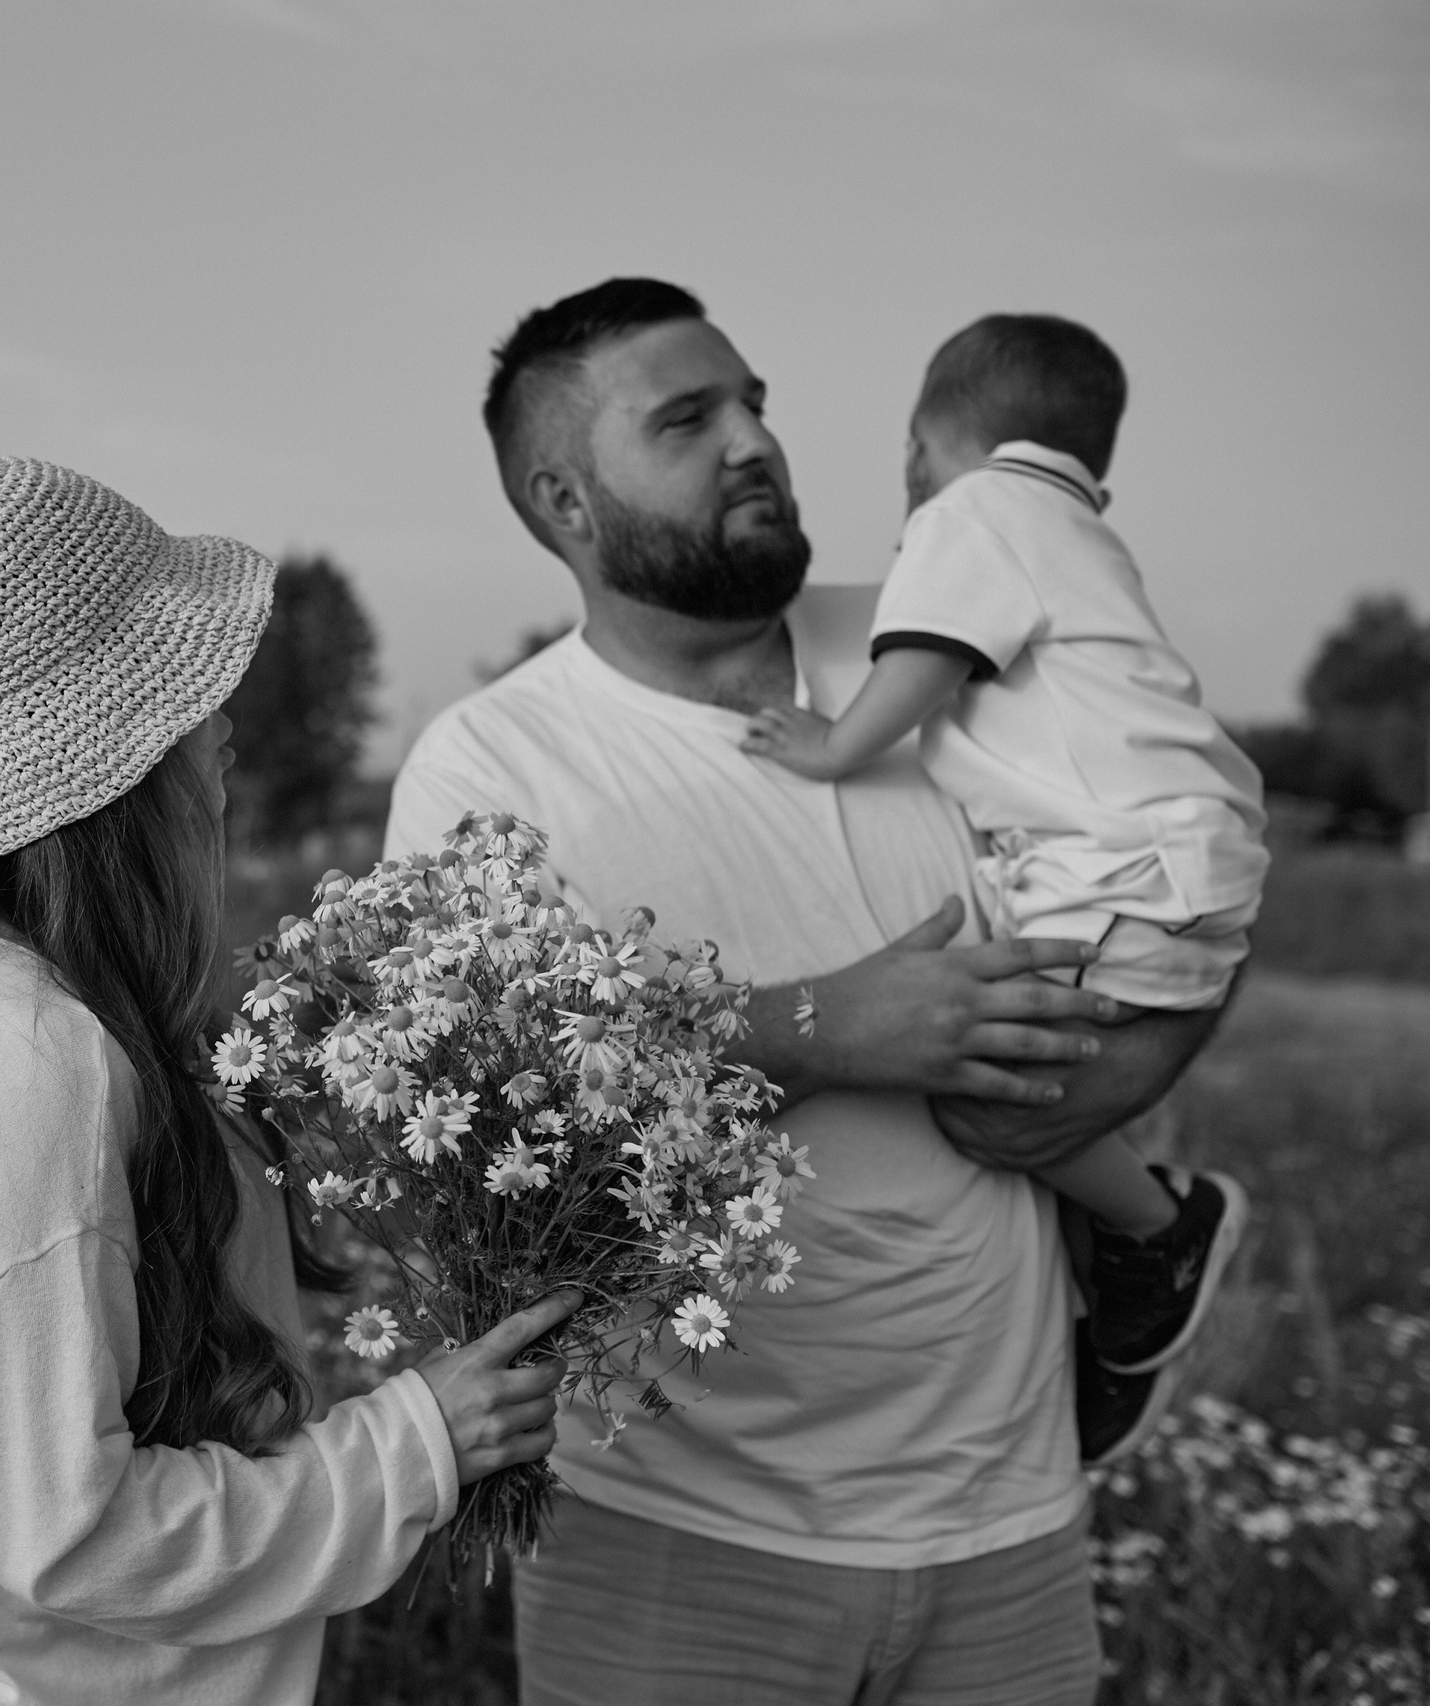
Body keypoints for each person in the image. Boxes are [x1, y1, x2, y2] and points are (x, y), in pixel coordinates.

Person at [385, 280, 1225, 1704]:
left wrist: (1131, 1062)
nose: (753, 441)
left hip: (1007, 1530)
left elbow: (1182, 836)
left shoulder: (953, 645)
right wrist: (828, 1026)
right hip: (675, 1542)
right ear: (567, 501)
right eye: (687, 419)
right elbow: (475, 1156)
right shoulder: (491, 771)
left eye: (755, 402)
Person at [0, 457, 579, 1706]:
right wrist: (421, 1437)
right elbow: (71, 1530)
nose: (225, 733)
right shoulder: (35, 1061)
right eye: (195, 696)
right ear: (120, 760)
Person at [740, 313, 1259, 1377]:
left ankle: (1163, 1230)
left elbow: (930, 651)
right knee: (1026, 1077)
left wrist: (836, 745)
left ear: (920, 445)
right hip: (1174, 866)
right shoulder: (1077, 531)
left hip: (1126, 879)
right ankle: (1104, 1285)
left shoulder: (974, 507)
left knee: (983, 1100)